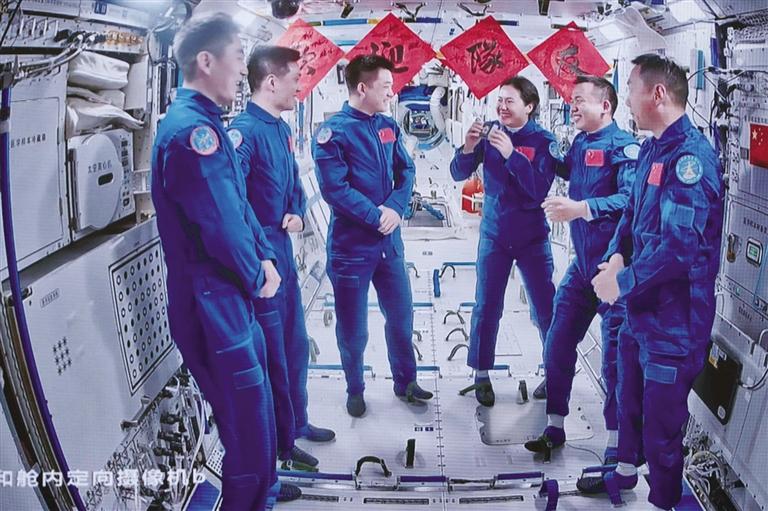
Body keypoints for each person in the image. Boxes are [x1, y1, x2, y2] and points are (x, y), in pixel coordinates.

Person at [150, 14, 300, 508]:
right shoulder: (192, 134)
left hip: (231, 295)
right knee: (244, 429)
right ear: (206, 61)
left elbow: (239, 208)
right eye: (237, 58)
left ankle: (266, 492)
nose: (241, 70)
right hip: (211, 301)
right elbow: (219, 222)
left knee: (258, 413)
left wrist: (264, 258)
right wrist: (258, 272)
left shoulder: (209, 124)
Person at [578, 54, 724, 511]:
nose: (625, 102)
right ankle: (624, 473)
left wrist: (622, 283)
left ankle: (662, 501)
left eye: (631, 89)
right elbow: (632, 216)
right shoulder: (651, 150)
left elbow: (679, 249)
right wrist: (616, 257)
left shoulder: (689, 160)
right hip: (641, 312)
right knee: (627, 400)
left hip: (673, 323)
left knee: (661, 431)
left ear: (658, 94)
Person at [229, 45, 335, 471]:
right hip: (263, 262)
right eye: (294, 79)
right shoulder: (243, 132)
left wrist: (295, 211)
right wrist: (260, 255)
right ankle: (281, 449)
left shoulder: (280, 129)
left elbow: (292, 179)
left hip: (284, 252)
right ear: (271, 82)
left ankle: (297, 422)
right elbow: (233, 200)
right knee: (272, 354)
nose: (299, 87)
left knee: (294, 345)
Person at [524, 76, 638, 463]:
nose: (572, 106)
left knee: (614, 359)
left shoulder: (624, 147)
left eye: (579, 100)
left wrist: (582, 208)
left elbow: (629, 199)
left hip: (613, 268)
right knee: (557, 341)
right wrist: (536, 142)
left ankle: (617, 444)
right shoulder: (581, 143)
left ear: (605, 106)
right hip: (583, 266)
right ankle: (554, 425)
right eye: (571, 100)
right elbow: (568, 169)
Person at [312, 55, 433, 418]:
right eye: (386, 87)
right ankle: (355, 388)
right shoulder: (333, 133)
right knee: (354, 328)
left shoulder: (388, 126)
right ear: (362, 88)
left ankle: (406, 381)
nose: (391, 93)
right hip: (351, 247)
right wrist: (375, 215)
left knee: (401, 317)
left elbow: (406, 170)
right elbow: (335, 189)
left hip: (388, 245)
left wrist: (395, 207)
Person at [450, 76, 558, 406]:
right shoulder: (488, 134)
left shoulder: (544, 141)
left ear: (530, 106)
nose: (502, 107)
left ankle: (556, 372)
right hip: (495, 234)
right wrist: (468, 147)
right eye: (500, 100)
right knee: (486, 305)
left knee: (545, 308)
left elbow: (538, 189)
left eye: (510, 101)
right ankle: (481, 373)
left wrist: (512, 155)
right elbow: (457, 173)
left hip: (531, 236)